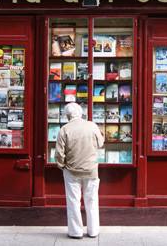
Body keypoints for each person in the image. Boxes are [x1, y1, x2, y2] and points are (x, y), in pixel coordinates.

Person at [55, 102, 105, 239]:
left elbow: (59, 153)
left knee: (73, 201)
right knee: (92, 200)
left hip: (71, 171)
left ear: (67, 115)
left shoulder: (64, 129)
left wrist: (61, 165)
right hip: (91, 170)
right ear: (81, 113)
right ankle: (93, 231)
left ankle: (76, 232)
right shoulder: (92, 126)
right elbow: (101, 144)